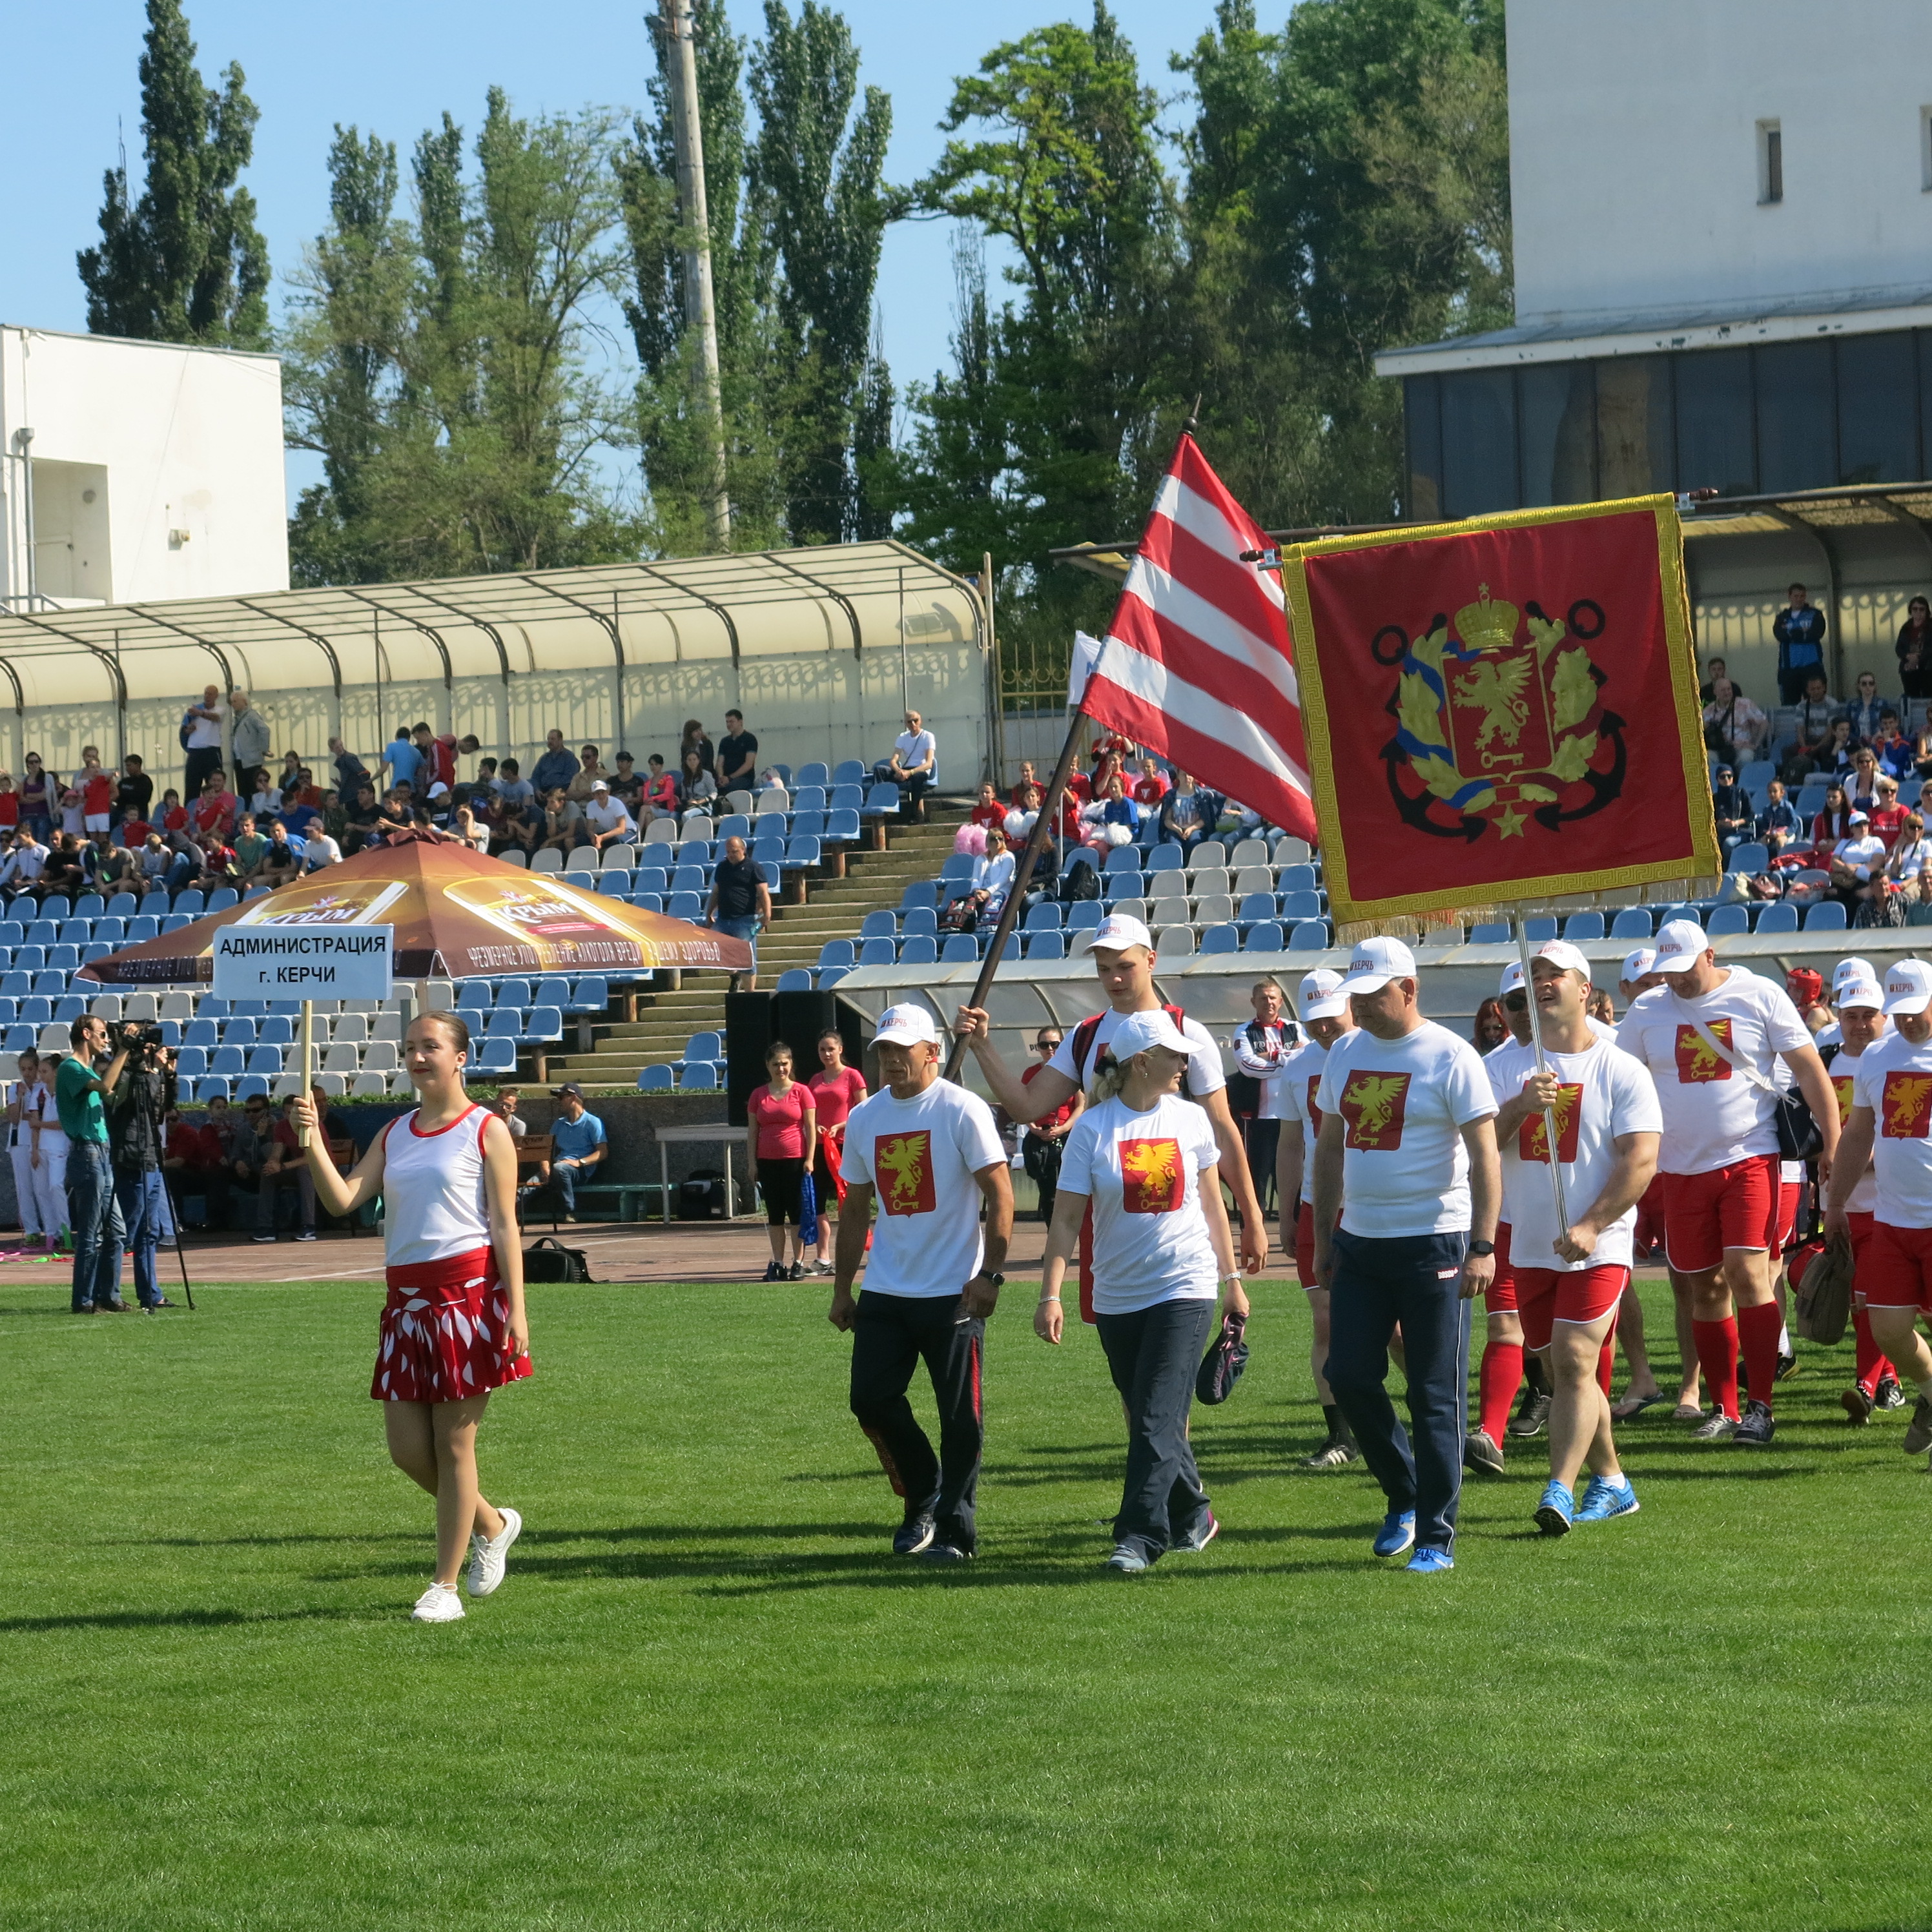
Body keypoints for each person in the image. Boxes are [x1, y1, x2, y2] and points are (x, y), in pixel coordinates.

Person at [293, 1012, 529, 1623]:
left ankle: (443, 1588)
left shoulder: (487, 1129)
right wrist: (313, 1138)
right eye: (410, 1048)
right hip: (405, 1306)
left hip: (469, 1300)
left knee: (454, 1446)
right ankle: (493, 1523)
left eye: (432, 1046)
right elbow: (344, 1199)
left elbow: (505, 1224)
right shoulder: (395, 1132)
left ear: (460, 1058)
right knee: (406, 1451)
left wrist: (517, 1311)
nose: (419, 1056)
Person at [955, 912, 1269, 1306]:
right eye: (1104, 969)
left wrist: (1252, 1216)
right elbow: (1026, 1106)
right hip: (1108, 1216)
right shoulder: (1085, 1035)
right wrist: (982, 1046)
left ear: (1151, 961)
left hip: (1174, 1218)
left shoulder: (1188, 1033)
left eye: (1125, 967)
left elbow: (1222, 1129)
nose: (1114, 980)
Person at [1309, 936, 1500, 1572]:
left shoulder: (1450, 1055)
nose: (1360, 1008)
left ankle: (1436, 1535)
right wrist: (1324, 1236)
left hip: (1436, 1242)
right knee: (1350, 1373)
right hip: (1360, 1240)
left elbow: (1483, 1156)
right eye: (1354, 997)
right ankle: (1403, 1493)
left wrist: (1481, 1244)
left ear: (1408, 990)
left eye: (1373, 995)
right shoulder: (1344, 1053)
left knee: (1433, 1391)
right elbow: (1330, 1147)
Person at [1035, 1008, 1245, 1572]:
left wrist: (1232, 1282)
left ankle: (1138, 1538)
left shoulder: (1191, 1120)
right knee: (1149, 1412)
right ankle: (1194, 1512)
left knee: (1154, 1415)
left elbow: (1212, 1206)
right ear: (1142, 1063)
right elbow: (1064, 1220)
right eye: (1176, 1055)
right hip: (1118, 1297)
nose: (1186, 1063)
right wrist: (1050, 1294)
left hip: (1185, 1284)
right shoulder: (1093, 1129)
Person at [1616, 919, 1838, 1443]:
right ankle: (1726, 1405)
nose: (1676, 982)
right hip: (1680, 1168)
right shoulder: (1647, 1010)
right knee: (1704, 1287)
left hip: (1750, 1157)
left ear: (1709, 955)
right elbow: (1617, 1077)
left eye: (1685, 969)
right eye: (1666, 973)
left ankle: (1761, 1404)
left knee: (1746, 1272)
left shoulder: (1758, 993)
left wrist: (1832, 1142)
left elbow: (1808, 1069)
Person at [1486, 944, 1661, 1532]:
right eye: (1532, 976)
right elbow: (1477, 1148)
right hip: (1531, 1242)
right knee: (1564, 1375)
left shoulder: (1620, 1067)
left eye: (1552, 975)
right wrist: (1519, 1107)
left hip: (1598, 1244)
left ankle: (1557, 1489)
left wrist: (1592, 1225)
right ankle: (1613, 1480)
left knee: (1575, 1357)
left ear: (1584, 989)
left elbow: (1641, 1159)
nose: (1540, 984)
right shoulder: (1504, 1067)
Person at [829, 1004, 1011, 1564]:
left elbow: (1002, 1196)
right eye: (883, 1050)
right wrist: (842, 1288)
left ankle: (956, 1531)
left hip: (954, 1292)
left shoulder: (962, 1110)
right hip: (887, 1287)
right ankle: (924, 1493)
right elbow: (855, 1211)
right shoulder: (865, 1118)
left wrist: (990, 1277)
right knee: (870, 1399)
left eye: (902, 1050)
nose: (890, 1060)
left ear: (931, 1053)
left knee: (960, 1417)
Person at [1823, 959, 1932, 1466]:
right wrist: (1837, 1203)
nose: (1909, 1022)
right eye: (1901, 1012)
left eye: (1917, 1010)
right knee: (1887, 1326)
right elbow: (1859, 1134)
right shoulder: (1876, 1058)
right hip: (1893, 1218)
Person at [1277, 967, 1361, 1468]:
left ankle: (1433, 1415)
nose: (1323, 1030)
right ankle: (1340, 1436)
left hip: (1374, 1203)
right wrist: (1287, 1213)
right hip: (1318, 1207)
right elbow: (1291, 1143)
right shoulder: (1296, 1067)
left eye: (1330, 1018)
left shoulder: (1377, 1051)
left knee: (1394, 1331)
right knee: (1326, 1322)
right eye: (1313, 1023)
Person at [1809, 972, 1895, 1422]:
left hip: (1887, 1202)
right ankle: (1889, 1377)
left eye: (1868, 1016)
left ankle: (1868, 1382)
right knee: (1840, 1287)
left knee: (1872, 1297)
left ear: (1885, 1017)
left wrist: (1854, 1163)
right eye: (1850, 1016)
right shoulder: (1825, 1062)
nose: (1860, 1024)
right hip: (1838, 1203)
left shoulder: (1896, 1061)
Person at [57, 1015, 135, 1314]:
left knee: (116, 1232)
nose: (106, 1039)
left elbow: (115, 1094)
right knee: (91, 1234)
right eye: (102, 1034)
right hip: (87, 1154)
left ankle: (108, 1296)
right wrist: (124, 1051)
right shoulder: (71, 1068)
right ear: (86, 1033)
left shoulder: (84, 1069)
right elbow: (106, 1086)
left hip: (100, 1153)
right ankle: (84, 1300)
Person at [103, 1022, 178, 1307]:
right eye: (146, 1046)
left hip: (151, 1157)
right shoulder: (118, 1075)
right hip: (133, 1157)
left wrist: (169, 1075)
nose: (152, 1049)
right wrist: (155, 1072)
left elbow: (162, 1109)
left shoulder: (149, 1076)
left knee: (150, 1231)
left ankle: (151, 1293)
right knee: (128, 1229)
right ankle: (108, 1292)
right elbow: (132, 1100)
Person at [748, 1041, 816, 1281]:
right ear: (768, 1066)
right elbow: (752, 1131)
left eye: (784, 1064)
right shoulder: (758, 1094)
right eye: (776, 1064)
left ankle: (798, 1262)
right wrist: (752, 1163)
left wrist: (810, 1158)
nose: (780, 1069)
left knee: (796, 1213)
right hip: (767, 1162)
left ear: (791, 1064)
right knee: (775, 1215)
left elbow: (810, 1127)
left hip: (795, 1160)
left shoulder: (802, 1091)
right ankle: (778, 1261)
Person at [1229, 976, 1295, 1218]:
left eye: (1273, 998)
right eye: (1263, 998)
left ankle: (1294, 1234)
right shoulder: (1245, 1031)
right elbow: (1248, 1066)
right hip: (1257, 1118)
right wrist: (1286, 1061)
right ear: (1253, 1002)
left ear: (1281, 1001)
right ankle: (1253, 1231)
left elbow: (1307, 1056)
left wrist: (1271, 1055)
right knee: (1256, 1179)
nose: (1268, 1002)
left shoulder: (1294, 1027)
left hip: (1290, 1117)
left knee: (1291, 1178)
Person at [806, 1031, 867, 1276]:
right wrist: (816, 1127)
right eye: (822, 1049)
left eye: (831, 1049)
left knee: (851, 1199)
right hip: (820, 1147)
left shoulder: (853, 1076)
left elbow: (864, 1110)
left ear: (840, 1049)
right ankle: (823, 1257)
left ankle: (853, 1253)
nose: (827, 1054)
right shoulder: (815, 1080)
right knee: (818, 1201)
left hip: (845, 1146)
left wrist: (842, 1126)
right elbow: (809, 1112)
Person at [1018, 1025, 1082, 1228]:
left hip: (1067, 1135)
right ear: (1038, 1048)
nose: (1050, 1049)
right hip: (1040, 1137)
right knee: (1048, 1193)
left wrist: (1064, 1129)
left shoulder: (1072, 1071)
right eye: (1044, 1045)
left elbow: (1081, 1105)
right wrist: (1034, 1127)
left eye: (1055, 1044)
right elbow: (1023, 1104)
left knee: (1073, 1190)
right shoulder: (1031, 1073)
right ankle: (1053, 1238)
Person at [707, 834, 770, 992]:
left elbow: (763, 893)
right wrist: (709, 913)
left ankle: (750, 993)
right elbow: (716, 892)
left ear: (743, 850)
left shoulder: (753, 867)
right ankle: (734, 975)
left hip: (745, 919)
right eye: (728, 852)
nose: (731, 855)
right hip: (723, 919)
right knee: (716, 950)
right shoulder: (722, 867)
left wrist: (767, 916)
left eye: (734, 852)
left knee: (746, 957)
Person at [546, 1083, 606, 1222]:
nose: (559, 1101)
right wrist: (544, 1167)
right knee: (530, 1187)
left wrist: (579, 1162)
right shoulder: (559, 1124)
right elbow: (547, 1149)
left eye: (561, 1097)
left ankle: (570, 1211)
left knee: (560, 1169)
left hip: (580, 1170)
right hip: (557, 1166)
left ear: (573, 1098)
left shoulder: (593, 1122)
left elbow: (603, 1152)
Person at [6, 1049, 41, 1248]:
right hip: (19, 1142)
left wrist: (30, 1117)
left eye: (30, 1069)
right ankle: (31, 1230)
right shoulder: (15, 1088)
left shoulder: (42, 1087)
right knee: (24, 1188)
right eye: (23, 1069)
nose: (27, 1073)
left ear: (37, 1068)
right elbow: (13, 1117)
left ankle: (52, 1229)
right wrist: (20, 1098)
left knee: (42, 1187)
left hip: (39, 1140)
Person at [1774, 582, 1827, 705]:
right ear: (1789, 596)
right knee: (1790, 706)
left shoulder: (1815, 614)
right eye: (1796, 596)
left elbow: (1817, 633)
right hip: (1789, 669)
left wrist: (1791, 634)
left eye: (1802, 596)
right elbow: (1780, 635)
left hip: (1812, 667)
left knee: (1817, 703)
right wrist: (1802, 633)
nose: (1799, 599)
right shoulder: (1782, 617)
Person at [874, 710, 937, 814]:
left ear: (920, 721)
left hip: (920, 770)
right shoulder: (902, 737)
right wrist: (899, 771)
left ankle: (914, 813)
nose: (913, 724)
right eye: (909, 722)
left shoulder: (928, 736)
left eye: (915, 720)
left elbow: (929, 763)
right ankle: (885, 806)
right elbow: (894, 760)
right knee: (880, 770)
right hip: (906, 769)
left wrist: (910, 773)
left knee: (917, 778)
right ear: (906, 723)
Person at [1703, 677, 1766, 769]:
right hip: (1719, 749)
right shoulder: (1709, 710)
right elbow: (1700, 729)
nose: (1727, 692)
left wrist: (1756, 744)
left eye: (1729, 689)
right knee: (1707, 757)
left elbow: (1764, 722)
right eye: (1723, 690)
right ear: (1715, 692)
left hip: (1741, 747)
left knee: (1746, 757)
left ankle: (1743, 782)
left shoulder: (1745, 704)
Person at [181, 685, 225, 799]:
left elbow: (216, 718)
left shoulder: (220, 710)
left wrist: (200, 713)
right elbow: (185, 730)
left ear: (216, 696)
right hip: (195, 752)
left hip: (211, 752)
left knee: (214, 786)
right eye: (206, 693)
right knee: (192, 787)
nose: (207, 696)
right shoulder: (194, 711)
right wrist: (188, 730)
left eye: (210, 694)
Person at [229, 690, 271, 796]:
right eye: (232, 702)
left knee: (255, 791)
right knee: (243, 792)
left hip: (252, 762)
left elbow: (265, 730)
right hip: (240, 761)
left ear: (245, 702)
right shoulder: (236, 719)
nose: (233, 704)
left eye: (235, 701)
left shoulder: (251, 716)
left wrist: (263, 749)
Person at [581, 780, 634, 852]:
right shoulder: (591, 806)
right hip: (609, 834)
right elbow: (590, 829)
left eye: (603, 792)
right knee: (582, 842)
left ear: (608, 792)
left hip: (629, 832)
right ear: (593, 796)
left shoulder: (616, 803)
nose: (601, 796)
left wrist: (601, 838)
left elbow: (621, 829)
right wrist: (593, 837)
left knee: (616, 841)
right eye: (597, 794)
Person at [1756, 778, 1804, 856]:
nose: (1772, 794)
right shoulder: (1766, 809)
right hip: (1772, 834)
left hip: (1786, 834)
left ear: (1782, 793)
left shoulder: (1787, 806)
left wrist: (1783, 833)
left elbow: (1794, 825)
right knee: (1762, 842)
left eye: (1775, 791)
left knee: (1780, 841)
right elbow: (1765, 826)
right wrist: (1767, 833)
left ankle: (1780, 861)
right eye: (1770, 792)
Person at [1711, 768, 1753, 853]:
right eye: (1722, 777)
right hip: (1721, 832)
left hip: (1741, 831)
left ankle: (1727, 866)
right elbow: (1712, 819)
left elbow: (1751, 815)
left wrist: (1736, 823)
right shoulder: (1715, 798)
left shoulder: (1741, 793)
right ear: (1717, 779)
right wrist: (1719, 823)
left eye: (1729, 776)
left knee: (1728, 844)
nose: (1726, 779)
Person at [715, 709, 759, 794]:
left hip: (744, 778)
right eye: (727, 722)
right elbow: (719, 763)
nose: (729, 724)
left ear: (740, 722)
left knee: (729, 788)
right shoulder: (725, 741)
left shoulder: (750, 739)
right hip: (726, 778)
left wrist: (730, 778)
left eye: (732, 722)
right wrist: (721, 777)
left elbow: (748, 764)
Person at [1898, 595, 1932, 701]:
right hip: (1909, 669)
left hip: (1928, 669)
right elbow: (1899, 647)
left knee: (1928, 699)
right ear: (1911, 611)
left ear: (1927, 611)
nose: (1918, 612)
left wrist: (1917, 659)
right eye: (1915, 609)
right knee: (1912, 699)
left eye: (1922, 609)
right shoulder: (1906, 627)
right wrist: (1908, 656)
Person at [1844, 669, 1886, 748]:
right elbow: (1848, 727)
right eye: (1864, 684)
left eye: (1871, 683)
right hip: (1857, 743)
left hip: (1877, 742)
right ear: (1859, 686)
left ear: (1875, 686)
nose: (1868, 686)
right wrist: (1857, 740)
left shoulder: (1882, 704)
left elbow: (1887, 725)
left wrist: (1877, 736)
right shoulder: (1852, 705)